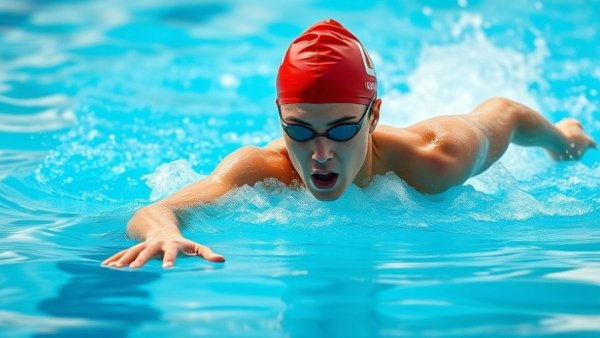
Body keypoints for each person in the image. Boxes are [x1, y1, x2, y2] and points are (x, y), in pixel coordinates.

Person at [102, 19, 596, 269]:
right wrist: (160, 233)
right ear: (279, 120)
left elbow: (504, 114)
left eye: (341, 129)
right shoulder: (264, 170)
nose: (319, 153)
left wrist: (559, 141)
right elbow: (156, 211)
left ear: (374, 114)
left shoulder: (436, 160)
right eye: (299, 130)